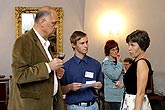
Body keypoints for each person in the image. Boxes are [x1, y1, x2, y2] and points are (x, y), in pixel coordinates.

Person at [8, 6, 65, 110]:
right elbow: (19, 76)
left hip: (49, 104)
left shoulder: (46, 43)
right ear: (42, 22)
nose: (56, 26)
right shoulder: (24, 41)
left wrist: (55, 73)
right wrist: (48, 67)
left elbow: (44, 71)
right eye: (54, 23)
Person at [61, 31, 103, 110]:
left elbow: (100, 83)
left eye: (87, 42)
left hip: (93, 106)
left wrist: (99, 85)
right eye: (82, 43)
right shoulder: (66, 67)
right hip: (74, 107)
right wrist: (70, 87)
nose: (86, 46)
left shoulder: (96, 64)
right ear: (73, 45)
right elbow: (60, 90)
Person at [117, 30, 152, 110]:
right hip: (129, 102)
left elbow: (140, 93)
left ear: (141, 46)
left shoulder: (141, 63)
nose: (129, 49)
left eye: (133, 45)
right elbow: (134, 85)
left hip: (136, 104)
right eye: (128, 45)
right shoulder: (135, 62)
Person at [102, 40, 124, 110]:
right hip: (112, 97)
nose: (115, 51)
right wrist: (120, 63)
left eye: (117, 49)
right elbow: (115, 76)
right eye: (113, 50)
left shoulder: (117, 62)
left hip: (119, 94)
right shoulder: (106, 63)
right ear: (108, 51)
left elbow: (122, 76)